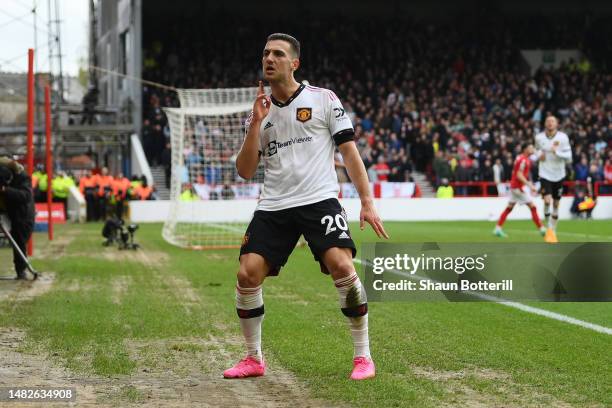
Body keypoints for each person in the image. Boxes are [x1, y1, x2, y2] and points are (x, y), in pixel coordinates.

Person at [223, 33, 388, 381]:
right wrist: (254, 123)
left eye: (278, 54)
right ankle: (253, 358)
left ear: (294, 63)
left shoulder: (324, 99)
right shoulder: (260, 111)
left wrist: (367, 203)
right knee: (246, 273)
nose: (269, 59)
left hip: (319, 200)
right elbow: (245, 170)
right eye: (266, 53)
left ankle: (363, 357)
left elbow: (349, 153)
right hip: (274, 205)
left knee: (342, 266)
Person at [493, 142, 545, 238]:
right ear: (525, 149)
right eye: (530, 147)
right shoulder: (524, 160)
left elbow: (515, 172)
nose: (532, 149)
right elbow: (519, 174)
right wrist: (530, 185)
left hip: (514, 187)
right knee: (533, 207)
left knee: (509, 208)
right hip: (518, 188)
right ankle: (542, 229)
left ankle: (497, 228)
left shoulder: (519, 158)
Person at [535, 116, 572, 243]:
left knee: (556, 204)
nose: (550, 123)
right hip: (545, 173)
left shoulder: (563, 138)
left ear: (556, 124)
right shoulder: (539, 137)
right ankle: (549, 228)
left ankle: (553, 229)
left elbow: (569, 157)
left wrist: (557, 153)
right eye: (548, 121)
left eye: (553, 121)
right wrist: (539, 156)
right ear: (545, 124)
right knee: (547, 201)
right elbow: (536, 152)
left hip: (559, 174)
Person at [0, 157, 35, 280]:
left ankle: (21, 270)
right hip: (4, 207)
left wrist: (5, 190)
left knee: (19, 239)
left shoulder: (23, 177)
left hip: (22, 213)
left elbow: (25, 196)